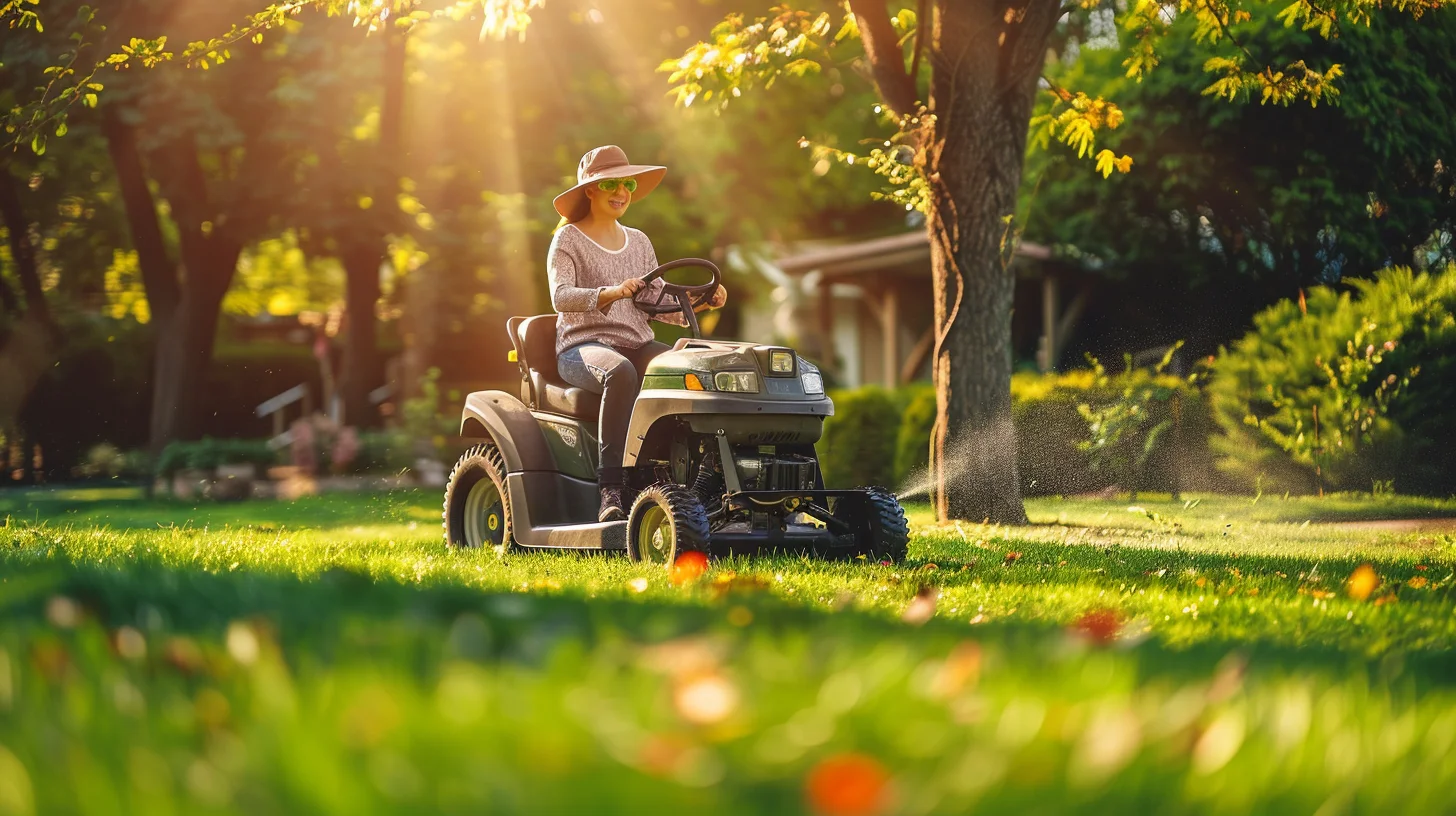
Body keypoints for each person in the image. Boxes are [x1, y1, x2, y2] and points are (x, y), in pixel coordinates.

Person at [548, 145, 727, 522]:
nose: (622, 192)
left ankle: (701, 482)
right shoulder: (567, 240)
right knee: (620, 373)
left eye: (627, 183)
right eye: (611, 183)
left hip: (637, 341)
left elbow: (655, 302)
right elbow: (561, 297)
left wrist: (702, 302)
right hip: (583, 346)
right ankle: (612, 491)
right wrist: (609, 293)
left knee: (689, 371)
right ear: (590, 190)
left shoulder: (640, 241)